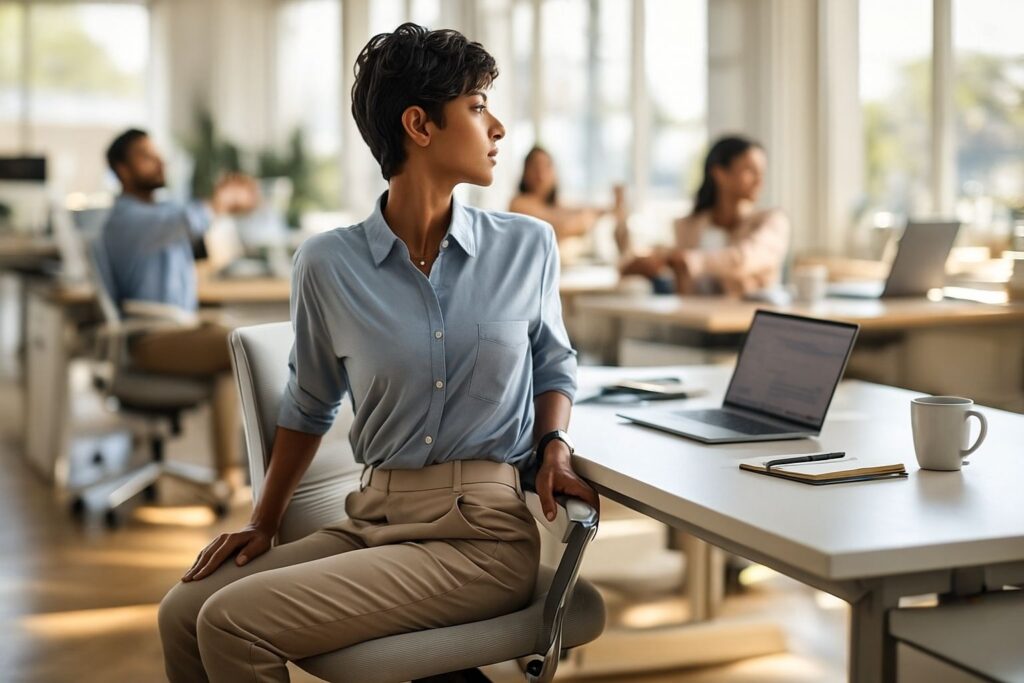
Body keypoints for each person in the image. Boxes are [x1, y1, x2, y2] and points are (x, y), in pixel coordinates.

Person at [158, 23, 599, 683]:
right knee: (181, 609)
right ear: (419, 125)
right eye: (479, 108)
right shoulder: (328, 263)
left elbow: (554, 364)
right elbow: (309, 403)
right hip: (374, 516)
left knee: (230, 620)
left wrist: (555, 443)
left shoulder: (527, 245)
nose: (499, 127)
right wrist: (262, 520)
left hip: (480, 538)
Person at [101, 129, 258, 488]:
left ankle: (230, 477)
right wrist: (220, 200)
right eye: (146, 156)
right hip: (149, 340)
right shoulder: (127, 219)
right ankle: (273, 469)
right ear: (122, 170)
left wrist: (230, 208)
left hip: (177, 330)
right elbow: (188, 221)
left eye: (158, 154)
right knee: (243, 343)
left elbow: (198, 237)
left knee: (228, 364)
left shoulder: (157, 215)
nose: (160, 162)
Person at [621, 135, 789, 296]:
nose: (760, 180)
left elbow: (743, 259)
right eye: (750, 171)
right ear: (719, 173)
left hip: (746, 321)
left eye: (762, 172)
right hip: (693, 319)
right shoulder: (689, 225)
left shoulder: (771, 222)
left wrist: (689, 260)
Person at [510, 145, 629, 253]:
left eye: (546, 167)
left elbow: (579, 209)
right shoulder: (518, 204)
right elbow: (555, 227)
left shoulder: (555, 204)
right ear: (525, 172)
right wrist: (585, 219)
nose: (541, 174)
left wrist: (613, 207)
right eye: (535, 167)